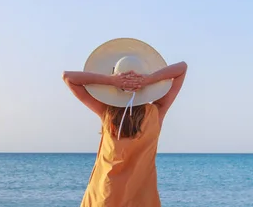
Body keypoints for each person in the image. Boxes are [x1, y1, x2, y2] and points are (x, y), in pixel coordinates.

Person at [62, 38, 187, 207]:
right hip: (141, 198)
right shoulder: (156, 113)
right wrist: (148, 80)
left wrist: (112, 80)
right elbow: (181, 68)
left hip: (104, 196)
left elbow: (69, 77)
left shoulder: (107, 113)